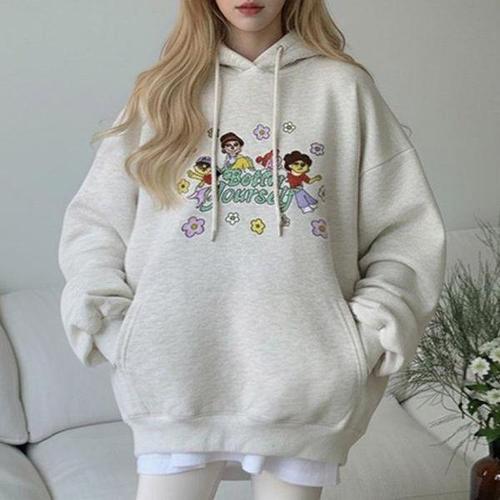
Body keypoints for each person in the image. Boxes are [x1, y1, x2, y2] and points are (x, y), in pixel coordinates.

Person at [57, 0, 447, 499]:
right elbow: (95, 225)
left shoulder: (342, 89)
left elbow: (406, 231)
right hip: (173, 380)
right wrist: (119, 331)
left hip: (305, 387)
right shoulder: (161, 92)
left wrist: (364, 338)